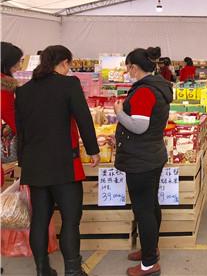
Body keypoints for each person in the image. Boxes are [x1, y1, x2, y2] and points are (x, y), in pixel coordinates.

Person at [15, 45, 100, 276]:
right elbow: (84, 118)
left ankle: (42, 269)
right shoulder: (69, 84)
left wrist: (24, 163)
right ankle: (72, 270)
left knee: (40, 219)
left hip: (35, 165)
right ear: (63, 63)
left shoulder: (24, 90)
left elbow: (21, 131)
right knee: (70, 220)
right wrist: (93, 150)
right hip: (64, 164)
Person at [114, 47, 173, 276]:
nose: (127, 71)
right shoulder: (159, 86)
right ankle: (151, 249)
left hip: (141, 159)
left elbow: (139, 126)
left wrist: (119, 112)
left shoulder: (144, 91)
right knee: (151, 205)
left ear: (133, 67)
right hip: (152, 154)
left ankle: (149, 264)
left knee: (143, 210)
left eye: (127, 67)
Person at [1, 42, 23, 163]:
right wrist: (23, 131)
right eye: (17, 62)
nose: (19, 66)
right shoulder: (5, 85)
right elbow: (7, 112)